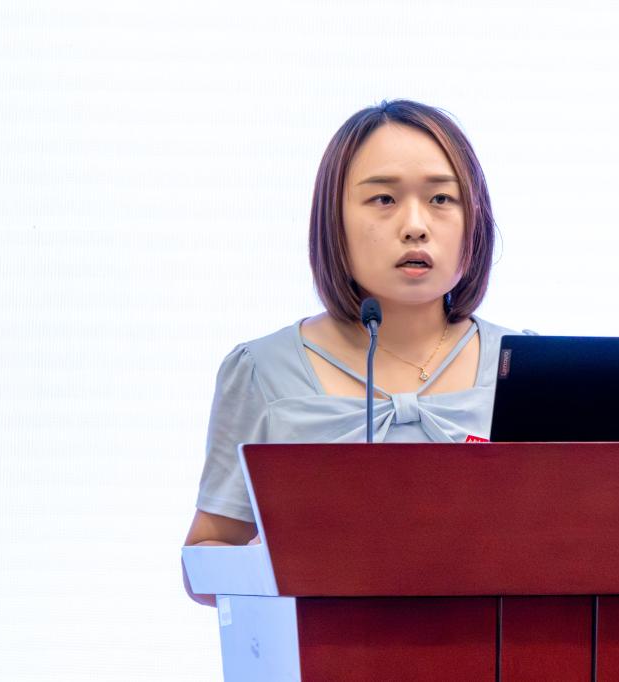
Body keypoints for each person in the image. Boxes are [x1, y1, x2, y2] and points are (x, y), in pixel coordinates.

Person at [182, 99, 526, 606]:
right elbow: (204, 559)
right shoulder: (261, 371)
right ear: (333, 221)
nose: (415, 225)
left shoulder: (527, 368)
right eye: (383, 199)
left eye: (441, 198)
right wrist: (270, 563)